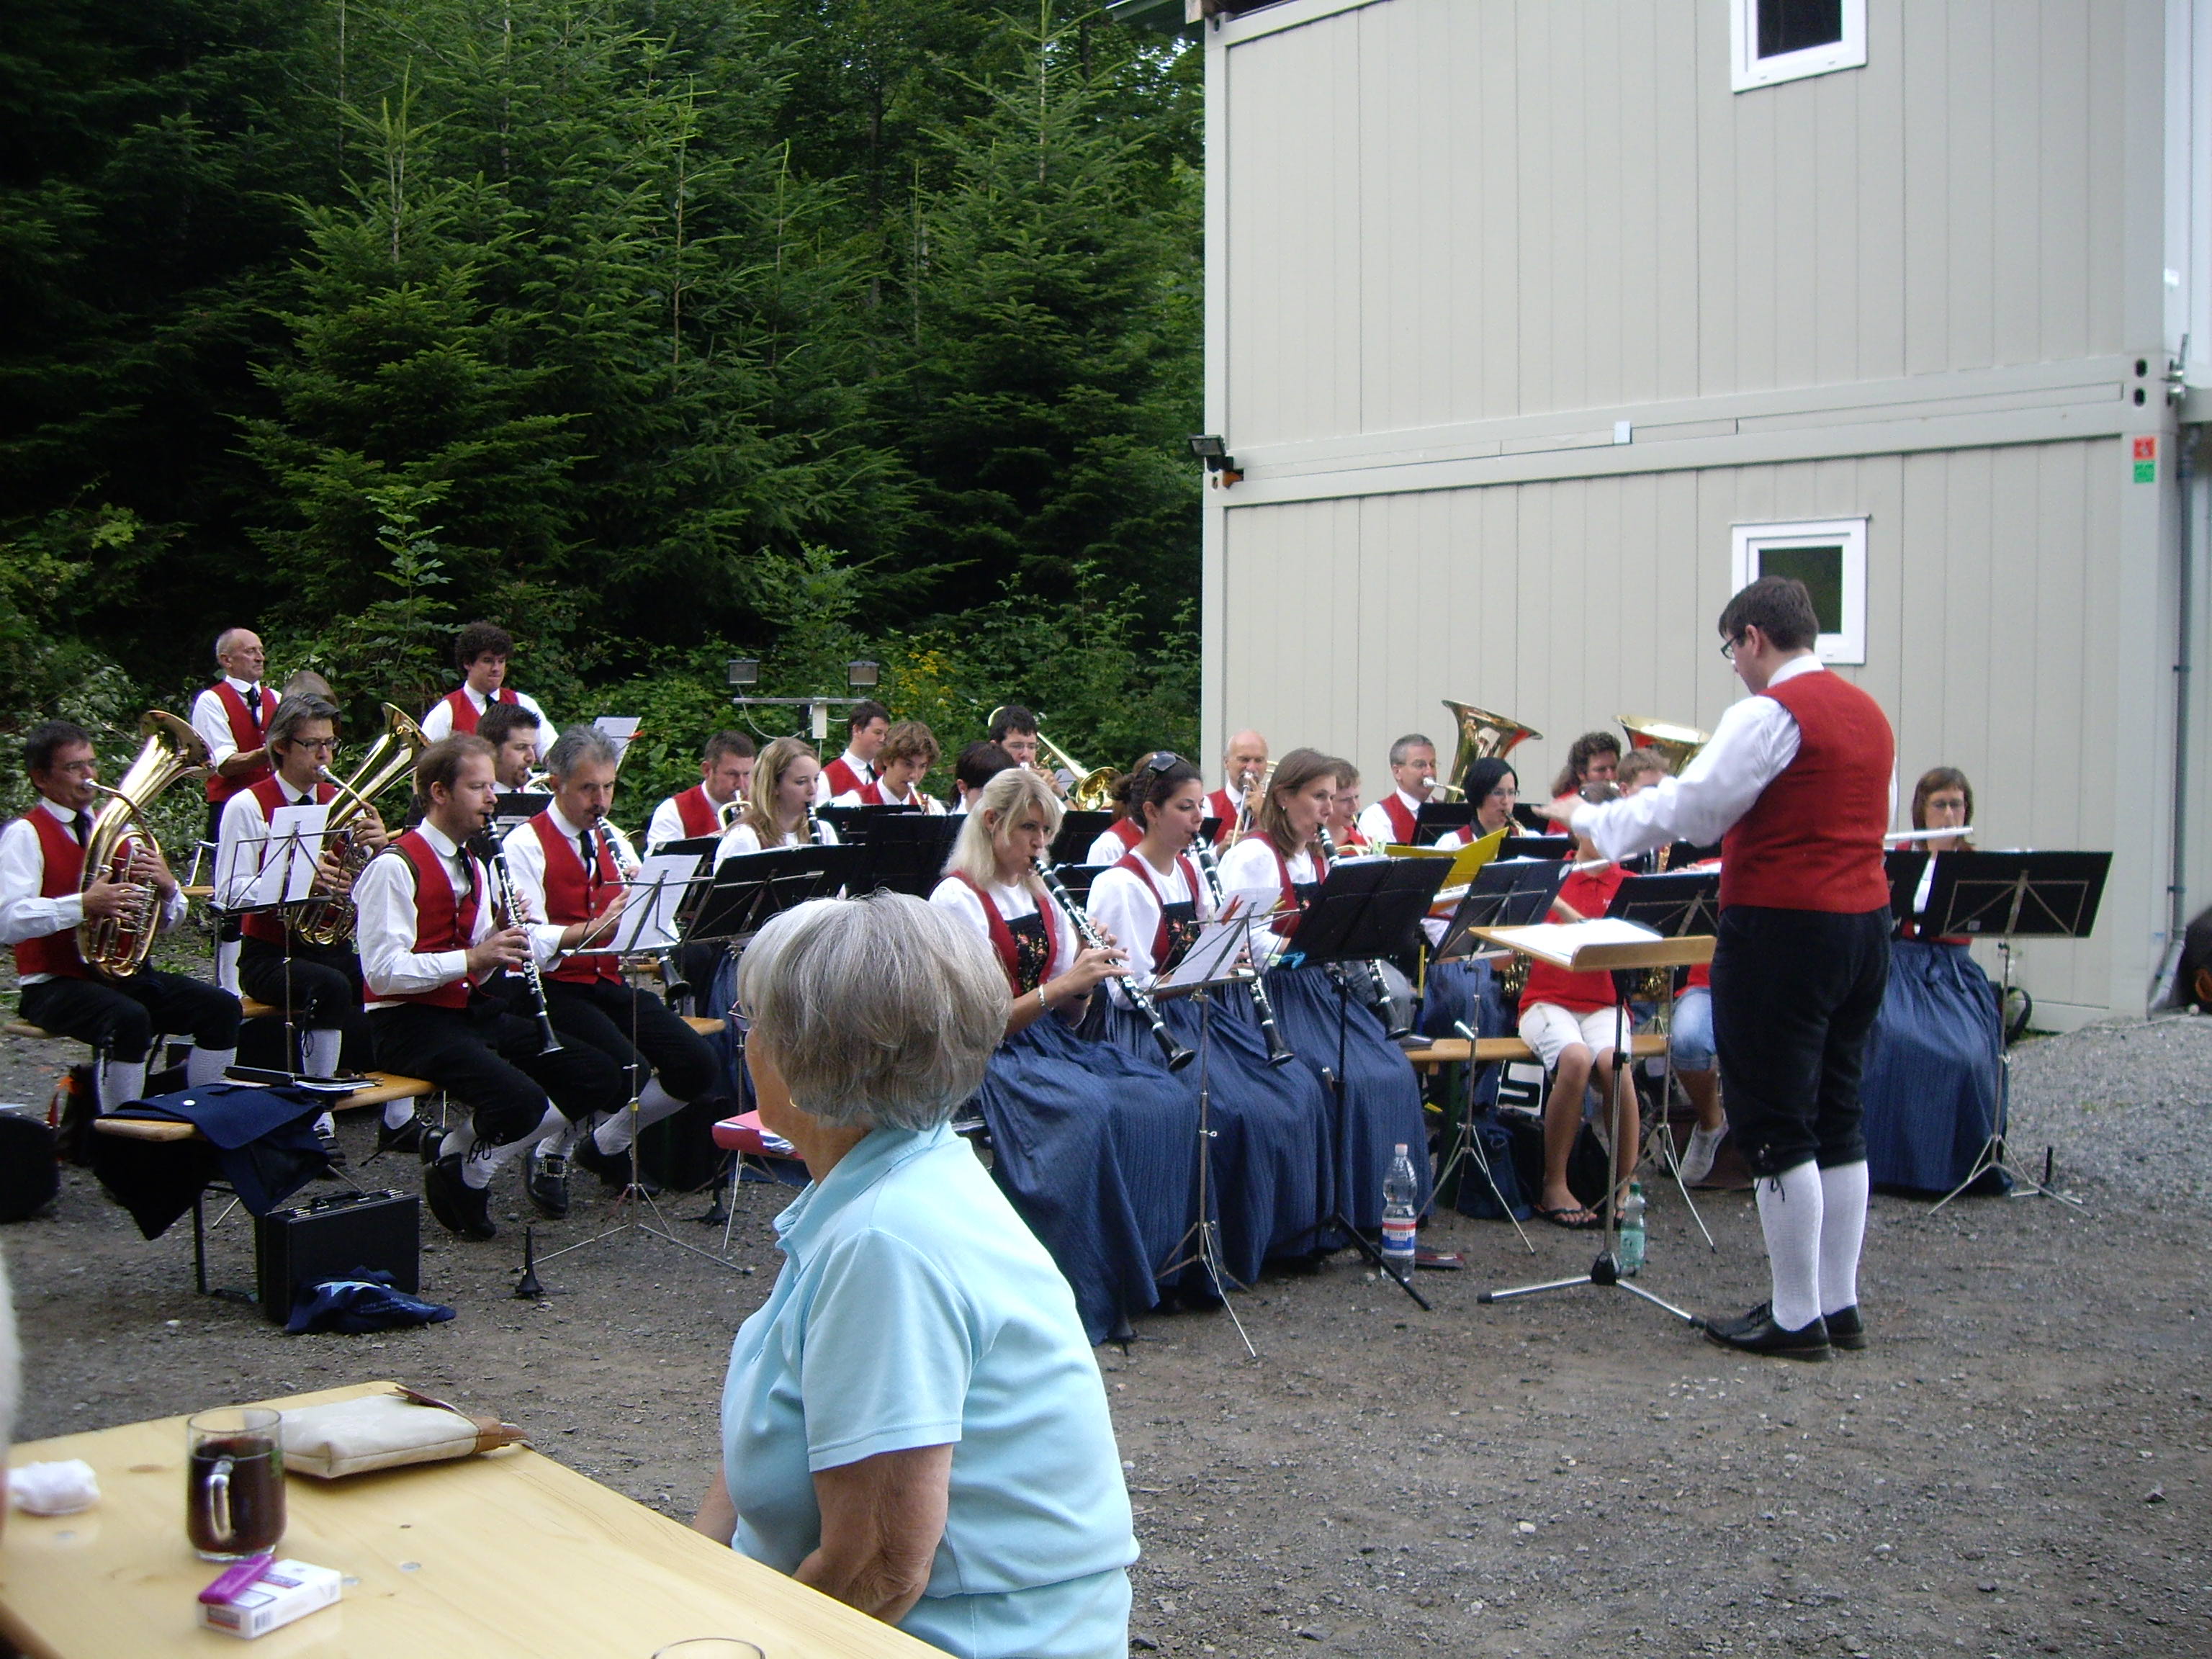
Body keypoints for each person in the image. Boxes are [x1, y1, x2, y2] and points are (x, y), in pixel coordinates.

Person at [693, 891, 1138, 1655]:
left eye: (752, 1020)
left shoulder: (886, 1240)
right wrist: (683, 1586)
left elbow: (880, 1570)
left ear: (806, 1054)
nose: (744, 1041)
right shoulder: (898, 1174)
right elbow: (762, 1452)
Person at [1551, 575, 1894, 1360]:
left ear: (1752, 638)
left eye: (1731, 650)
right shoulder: (1870, 715)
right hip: (1863, 925)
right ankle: (1837, 1304)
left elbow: (1696, 812)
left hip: (1785, 925)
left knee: (1776, 1120)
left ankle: (1797, 1315)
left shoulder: (1770, 713)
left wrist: (1593, 818)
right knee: (1838, 1113)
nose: (1735, 666)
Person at [930, 768, 1198, 1338]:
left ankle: (1151, 1272)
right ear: (991, 822)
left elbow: (1070, 1014)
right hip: (992, 1059)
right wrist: (1061, 986)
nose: (1039, 844)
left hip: (1048, 1041)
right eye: (1028, 829)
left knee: (1163, 1096)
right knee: (1090, 1110)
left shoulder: (1039, 891)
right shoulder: (957, 899)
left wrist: (1086, 976)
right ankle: (1082, 1289)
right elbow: (979, 1026)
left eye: (1046, 832)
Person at [353, 735, 626, 1240]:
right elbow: (382, 973)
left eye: (490, 786)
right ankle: (468, 1170)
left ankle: (458, 1155)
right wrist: (474, 957)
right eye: (478, 787)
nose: (492, 798)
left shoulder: (475, 865)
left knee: (596, 1074)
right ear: (439, 792)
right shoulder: (394, 866)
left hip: (465, 1010)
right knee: (519, 1100)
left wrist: (498, 937)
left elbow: (476, 967)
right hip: (406, 1024)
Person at [1086, 753, 1326, 1281]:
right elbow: (1126, 991)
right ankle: (1224, 1248)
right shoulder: (1119, 884)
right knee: (1238, 1109)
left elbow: (1209, 949)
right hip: (1150, 1031)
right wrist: (1200, 971)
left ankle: (1279, 1239)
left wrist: (1229, 952)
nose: (1200, 818)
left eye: (1200, 806)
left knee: (1296, 1087)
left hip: (1199, 1012)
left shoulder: (1193, 869)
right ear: (1151, 811)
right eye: (1185, 807)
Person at [503, 728, 721, 1214]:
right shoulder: (525, 844)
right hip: (551, 987)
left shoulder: (613, 838)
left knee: (697, 1065)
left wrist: (649, 906)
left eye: (608, 787)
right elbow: (528, 939)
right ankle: (551, 1151)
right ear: (556, 784)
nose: (600, 800)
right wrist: (597, 926)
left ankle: (606, 1144)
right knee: (625, 1070)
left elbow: (649, 923)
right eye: (588, 788)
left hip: (605, 979)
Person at [1218, 747, 1429, 1236]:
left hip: (1314, 988)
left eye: (1332, 798)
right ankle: (1321, 1215)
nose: (1329, 810)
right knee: (1335, 1077)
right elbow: (1240, 939)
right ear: (1284, 796)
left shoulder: (1314, 857)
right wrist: (1306, 947)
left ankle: (1372, 1207)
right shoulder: (1253, 855)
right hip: (1270, 994)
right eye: (1318, 797)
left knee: (1391, 1069)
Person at [217, 694, 423, 1155]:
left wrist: (379, 852)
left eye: (330, 744)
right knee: (329, 988)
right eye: (313, 745)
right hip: (269, 953)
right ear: (280, 746)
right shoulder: (247, 806)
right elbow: (228, 893)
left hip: (330, 945)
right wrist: (294, 880)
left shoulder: (340, 804)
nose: (325, 756)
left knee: (396, 979)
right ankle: (318, 1117)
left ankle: (399, 1119)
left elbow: (368, 892)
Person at [0, 721, 240, 1114]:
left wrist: (167, 889)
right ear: (41, 778)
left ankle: (205, 1115)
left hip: (121, 976)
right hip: (54, 984)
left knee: (222, 1008)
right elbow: (7, 921)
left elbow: (168, 923)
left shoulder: (115, 830)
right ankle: (121, 1128)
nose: (89, 775)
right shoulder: (26, 834)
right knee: (128, 1019)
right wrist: (83, 905)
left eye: (91, 764)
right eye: (74, 767)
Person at [1613, 757, 1726, 1184]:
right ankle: (1710, 1122)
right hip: (1690, 978)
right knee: (1687, 1040)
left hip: (1758, 983)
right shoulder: (1690, 858)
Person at [192, 627, 276, 989]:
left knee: (275, 891)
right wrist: (278, 749)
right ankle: (230, 988)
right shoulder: (211, 701)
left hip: (273, 808)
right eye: (250, 651)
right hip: (229, 809)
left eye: (261, 650)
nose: (260, 657)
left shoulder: (275, 698)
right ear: (226, 660)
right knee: (233, 900)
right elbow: (223, 763)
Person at [418, 621, 558, 755]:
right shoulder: (446, 713)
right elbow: (425, 765)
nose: (496, 668)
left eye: (501, 661)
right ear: (467, 663)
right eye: (488, 661)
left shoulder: (524, 703)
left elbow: (551, 751)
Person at [719, 738, 837, 864]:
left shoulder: (824, 832)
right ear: (774, 785)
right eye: (801, 782)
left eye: (816, 779)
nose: (812, 790)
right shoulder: (743, 839)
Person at [647, 731, 755, 851]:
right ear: (707, 770)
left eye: (747, 774)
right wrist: (706, 846)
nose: (741, 784)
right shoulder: (673, 811)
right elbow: (662, 862)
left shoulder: (758, 806)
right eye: (732, 774)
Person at [831, 720, 943, 813]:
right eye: (908, 765)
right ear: (887, 759)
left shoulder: (934, 809)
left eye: (922, 766)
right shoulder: (850, 804)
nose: (914, 775)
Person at [1356, 734, 1437, 848]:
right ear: (1397, 772)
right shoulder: (1376, 816)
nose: (1429, 772)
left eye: (1432, 765)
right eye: (1420, 765)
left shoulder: (1448, 812)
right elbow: (1384, 858)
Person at [814, 699, 889, 804]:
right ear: (857, 730)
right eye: (878, 733)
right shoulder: (827, 778)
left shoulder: (887, 773)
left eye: (885, 734)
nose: (883, 739)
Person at [1546, 731, 1622, 831]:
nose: (1611, 776)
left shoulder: (1625, 800)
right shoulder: (1564, 808)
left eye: (1614, 768)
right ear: (1581, 773)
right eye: (1601, 770)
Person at [1205, 729, 1269, 847]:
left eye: (1259, 760)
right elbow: (1193, 857)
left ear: (1266, 764)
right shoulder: (1207, 804)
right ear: (1226, 762)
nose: (1251, 767)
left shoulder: (1277, 806)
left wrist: (1263, 816)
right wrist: (1219, 850)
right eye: (1244, 760)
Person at [988, 704, 1064, 799]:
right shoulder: (983, 785)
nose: (1026, 754)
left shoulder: (1040, 781)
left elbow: (1074, 810)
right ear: (995, 747)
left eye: (1032, 747)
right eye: (1017, 746)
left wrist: (1060, 794)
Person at [479, 701, 544, 799]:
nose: (531, 758)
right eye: (521, 747)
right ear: (492, 749)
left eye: (533, 747)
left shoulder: (537, 795)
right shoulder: (472, 802)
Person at [950, 741, 1017, 814]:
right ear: (962, 787)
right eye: (985, 792)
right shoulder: (947, 821)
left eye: (1003, 792)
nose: (995, 800)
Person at [1326, 758, 1374, 855]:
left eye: (1357, 797)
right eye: (1345, 800)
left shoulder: (1368, 846)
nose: (1354, 807)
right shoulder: (1305, 845)